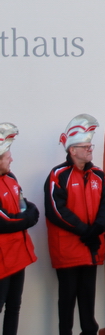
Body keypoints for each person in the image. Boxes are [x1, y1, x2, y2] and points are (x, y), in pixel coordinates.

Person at [44, 114, 105, 335]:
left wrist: (97, 228)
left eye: (90, 146)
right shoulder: (58, 175)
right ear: (72, 150)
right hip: (68, 251)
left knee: (88, 299)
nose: (90, 149)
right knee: (67, 301)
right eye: (85, 146)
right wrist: (86, 231)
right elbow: (56, 210)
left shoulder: (99, 175)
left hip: (91, 249)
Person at [0, 123, 38, 335]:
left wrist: (28, 214)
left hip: (18, 256)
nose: (12, 159)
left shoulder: (11, 178)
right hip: (2, 260)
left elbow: (25, 206)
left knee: (14, 307)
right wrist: (27, 219)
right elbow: (4, 222)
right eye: (8, 156)